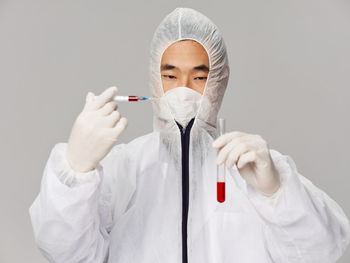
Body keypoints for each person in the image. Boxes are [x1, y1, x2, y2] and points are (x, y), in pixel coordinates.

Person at [29, 7, 350, 263]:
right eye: (170, 75)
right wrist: (75, 173)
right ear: (153, 79)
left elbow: (321, 253)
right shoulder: (121, 170)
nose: (183, 90)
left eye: (199, 76)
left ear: (220, 82)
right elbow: (67, 253)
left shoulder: (254, 168)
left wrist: (276, 192)